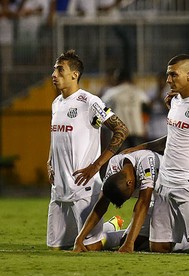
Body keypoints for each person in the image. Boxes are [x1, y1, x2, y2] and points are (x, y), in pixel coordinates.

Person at [124, 54, 189, 254]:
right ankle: (187, 234)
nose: (168, 80)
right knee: (158, 247)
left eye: (173, 75)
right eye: (168, 75)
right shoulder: (174, 102)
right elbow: (172, 140)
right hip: (164, 184)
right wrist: (141, 148)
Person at [47, 49, 129, 250]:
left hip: (83, 185)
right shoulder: (56, 103)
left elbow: (121, 130)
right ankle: (107, 226)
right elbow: (56, 135)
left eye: (60, 70)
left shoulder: (89, 102)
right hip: (59, 187)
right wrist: (49, 161)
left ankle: (116, 229)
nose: (54, 75)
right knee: (56, 247)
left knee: (91, 246)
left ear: (75, 74)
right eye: (54, 70)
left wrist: (96, 166)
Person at [73, 149, 161, 253]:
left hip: (168, 199)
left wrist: (129, 243)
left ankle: (179, 239)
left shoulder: (146, 161)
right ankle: (114, 226)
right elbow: (101, 205)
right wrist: (80, 238)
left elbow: (143, 203)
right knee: (129, 241)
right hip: (154, 200)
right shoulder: (114, 163)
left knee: (159, 247)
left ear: (129, 183)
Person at [101, 69, 150, 148]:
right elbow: (147, 105)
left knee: (120, 158)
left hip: (119, 131)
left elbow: (103, 108)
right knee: (136, 158)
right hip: (136, 129)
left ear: (117, 79)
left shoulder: (112, 92)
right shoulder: (137, 91)